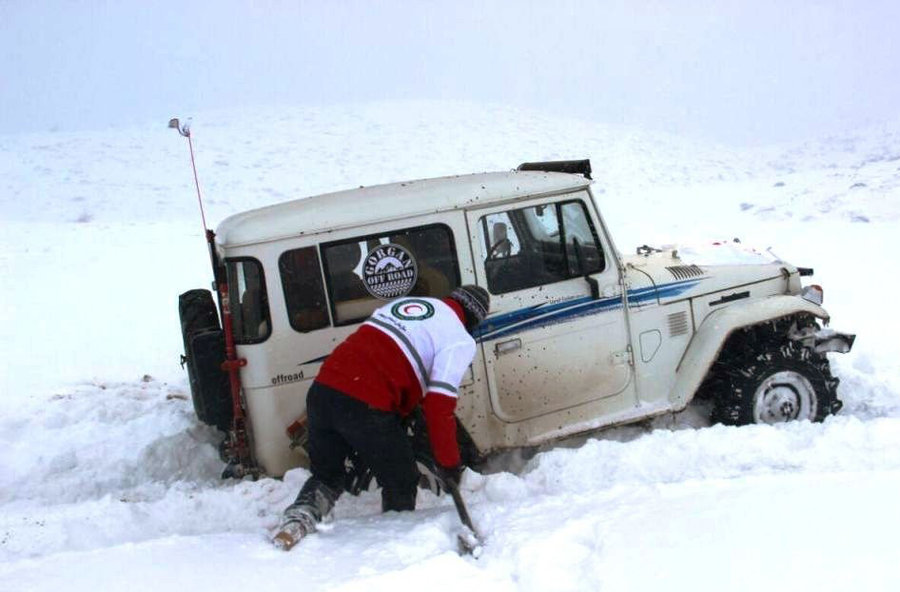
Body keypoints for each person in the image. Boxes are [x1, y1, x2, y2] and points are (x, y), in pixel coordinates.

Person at [273, 284, 491, 550]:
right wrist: (449, 463)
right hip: (366, 402)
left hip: (323, 391)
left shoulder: (405, 307)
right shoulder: (459, 339)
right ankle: (392, 549)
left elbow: (393, 359)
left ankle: (297, 521)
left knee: (327, 475)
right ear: (473, 320)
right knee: (401, 479)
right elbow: (439, 405)